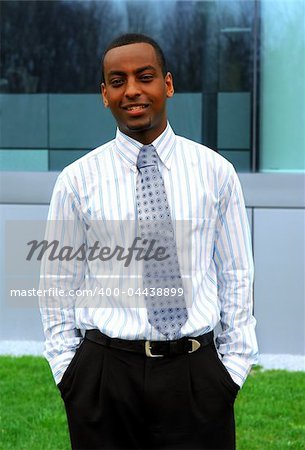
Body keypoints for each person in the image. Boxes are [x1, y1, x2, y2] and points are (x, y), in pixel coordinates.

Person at [39, 33, 258, 450]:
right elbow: (57, 282)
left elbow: (236, 274)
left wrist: (233, 369)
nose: (133, 91)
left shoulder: (217, 173)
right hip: (104, 376)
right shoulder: (77, 181)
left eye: (145, 77)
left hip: (196, 375)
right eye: (117, 81)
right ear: (104, 94)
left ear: (168, 85)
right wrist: (69, 372)